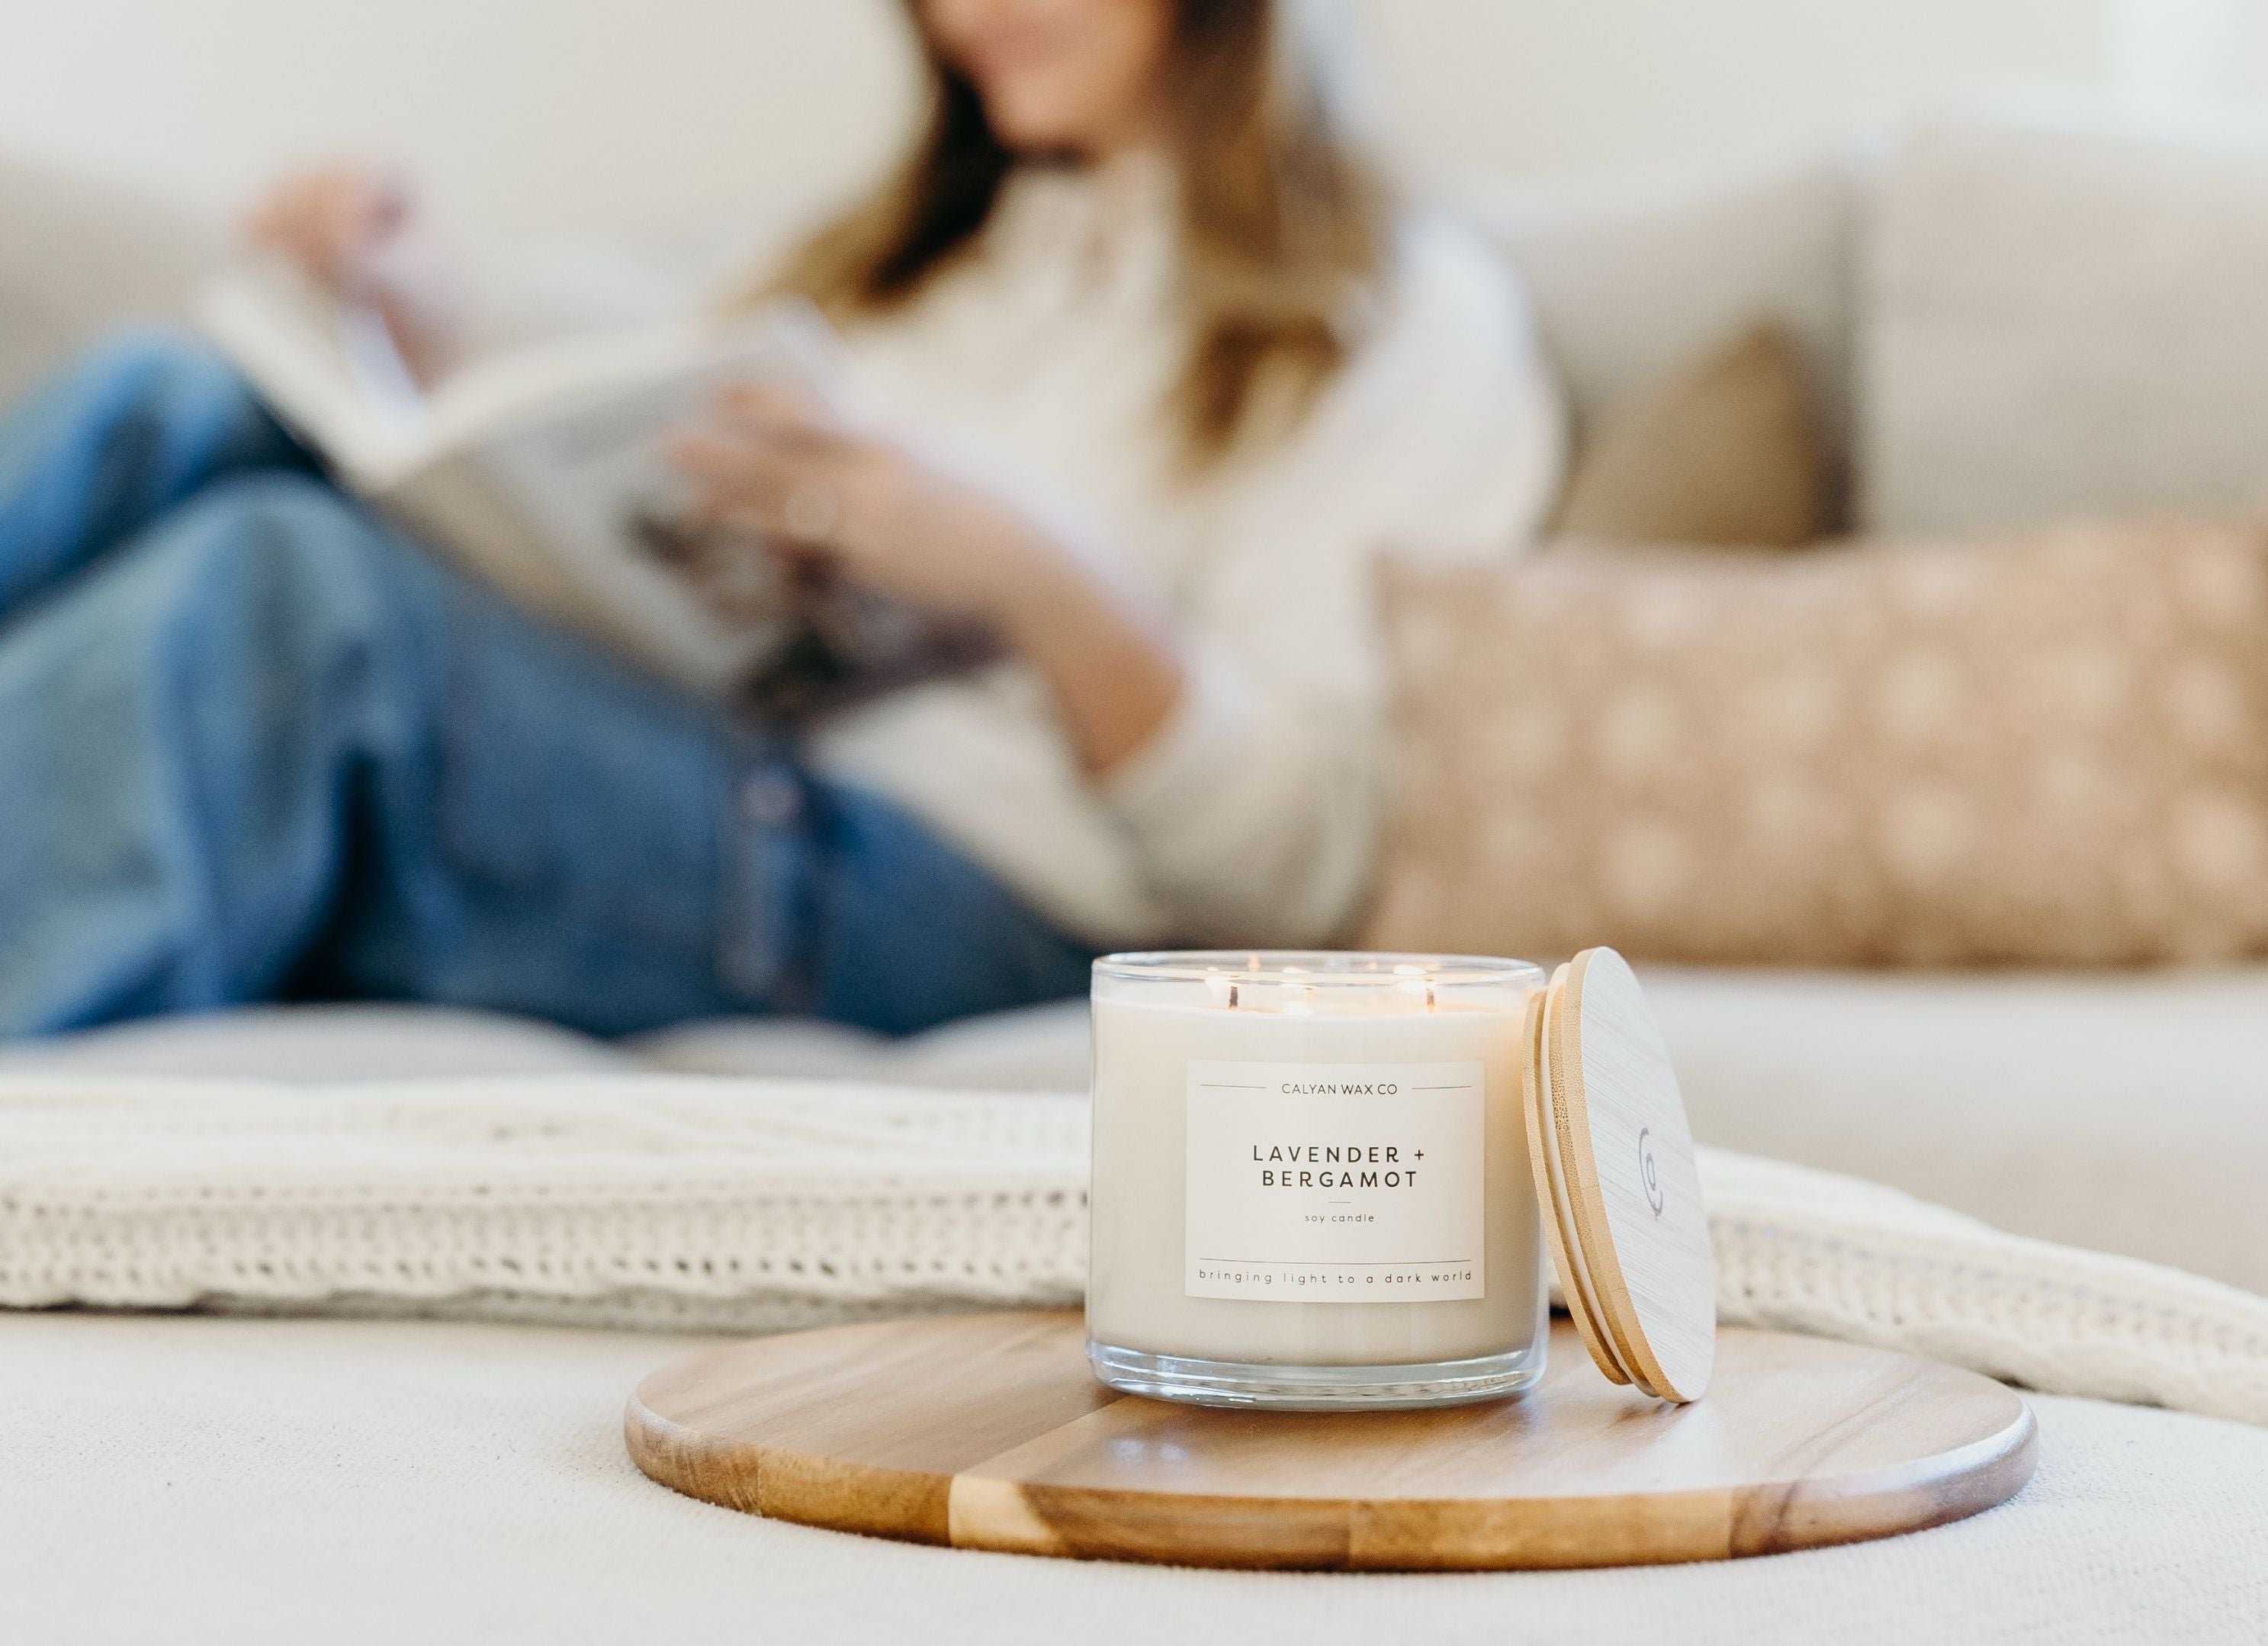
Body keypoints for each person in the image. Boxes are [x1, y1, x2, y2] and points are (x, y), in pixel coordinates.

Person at [0, 0, 1562, 1040]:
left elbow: (1302, 871)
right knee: (171, 397)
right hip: (699, 762)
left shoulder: (1402, 320)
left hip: (979, 904)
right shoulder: (887, 265)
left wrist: (1039, 580)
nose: (965, 12)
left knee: (284, 597)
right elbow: (600, 491)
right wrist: (410, 340)